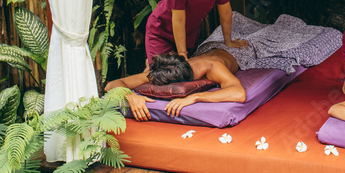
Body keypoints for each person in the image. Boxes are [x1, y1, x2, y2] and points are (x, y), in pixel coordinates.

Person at [105, 49, 246, 120]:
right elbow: (111, 85)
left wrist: (195, 97)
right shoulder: (165, 71)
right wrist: (130, 96)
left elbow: (239, 93)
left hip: (237, 51)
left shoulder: (212, 67)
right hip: (207, 47)